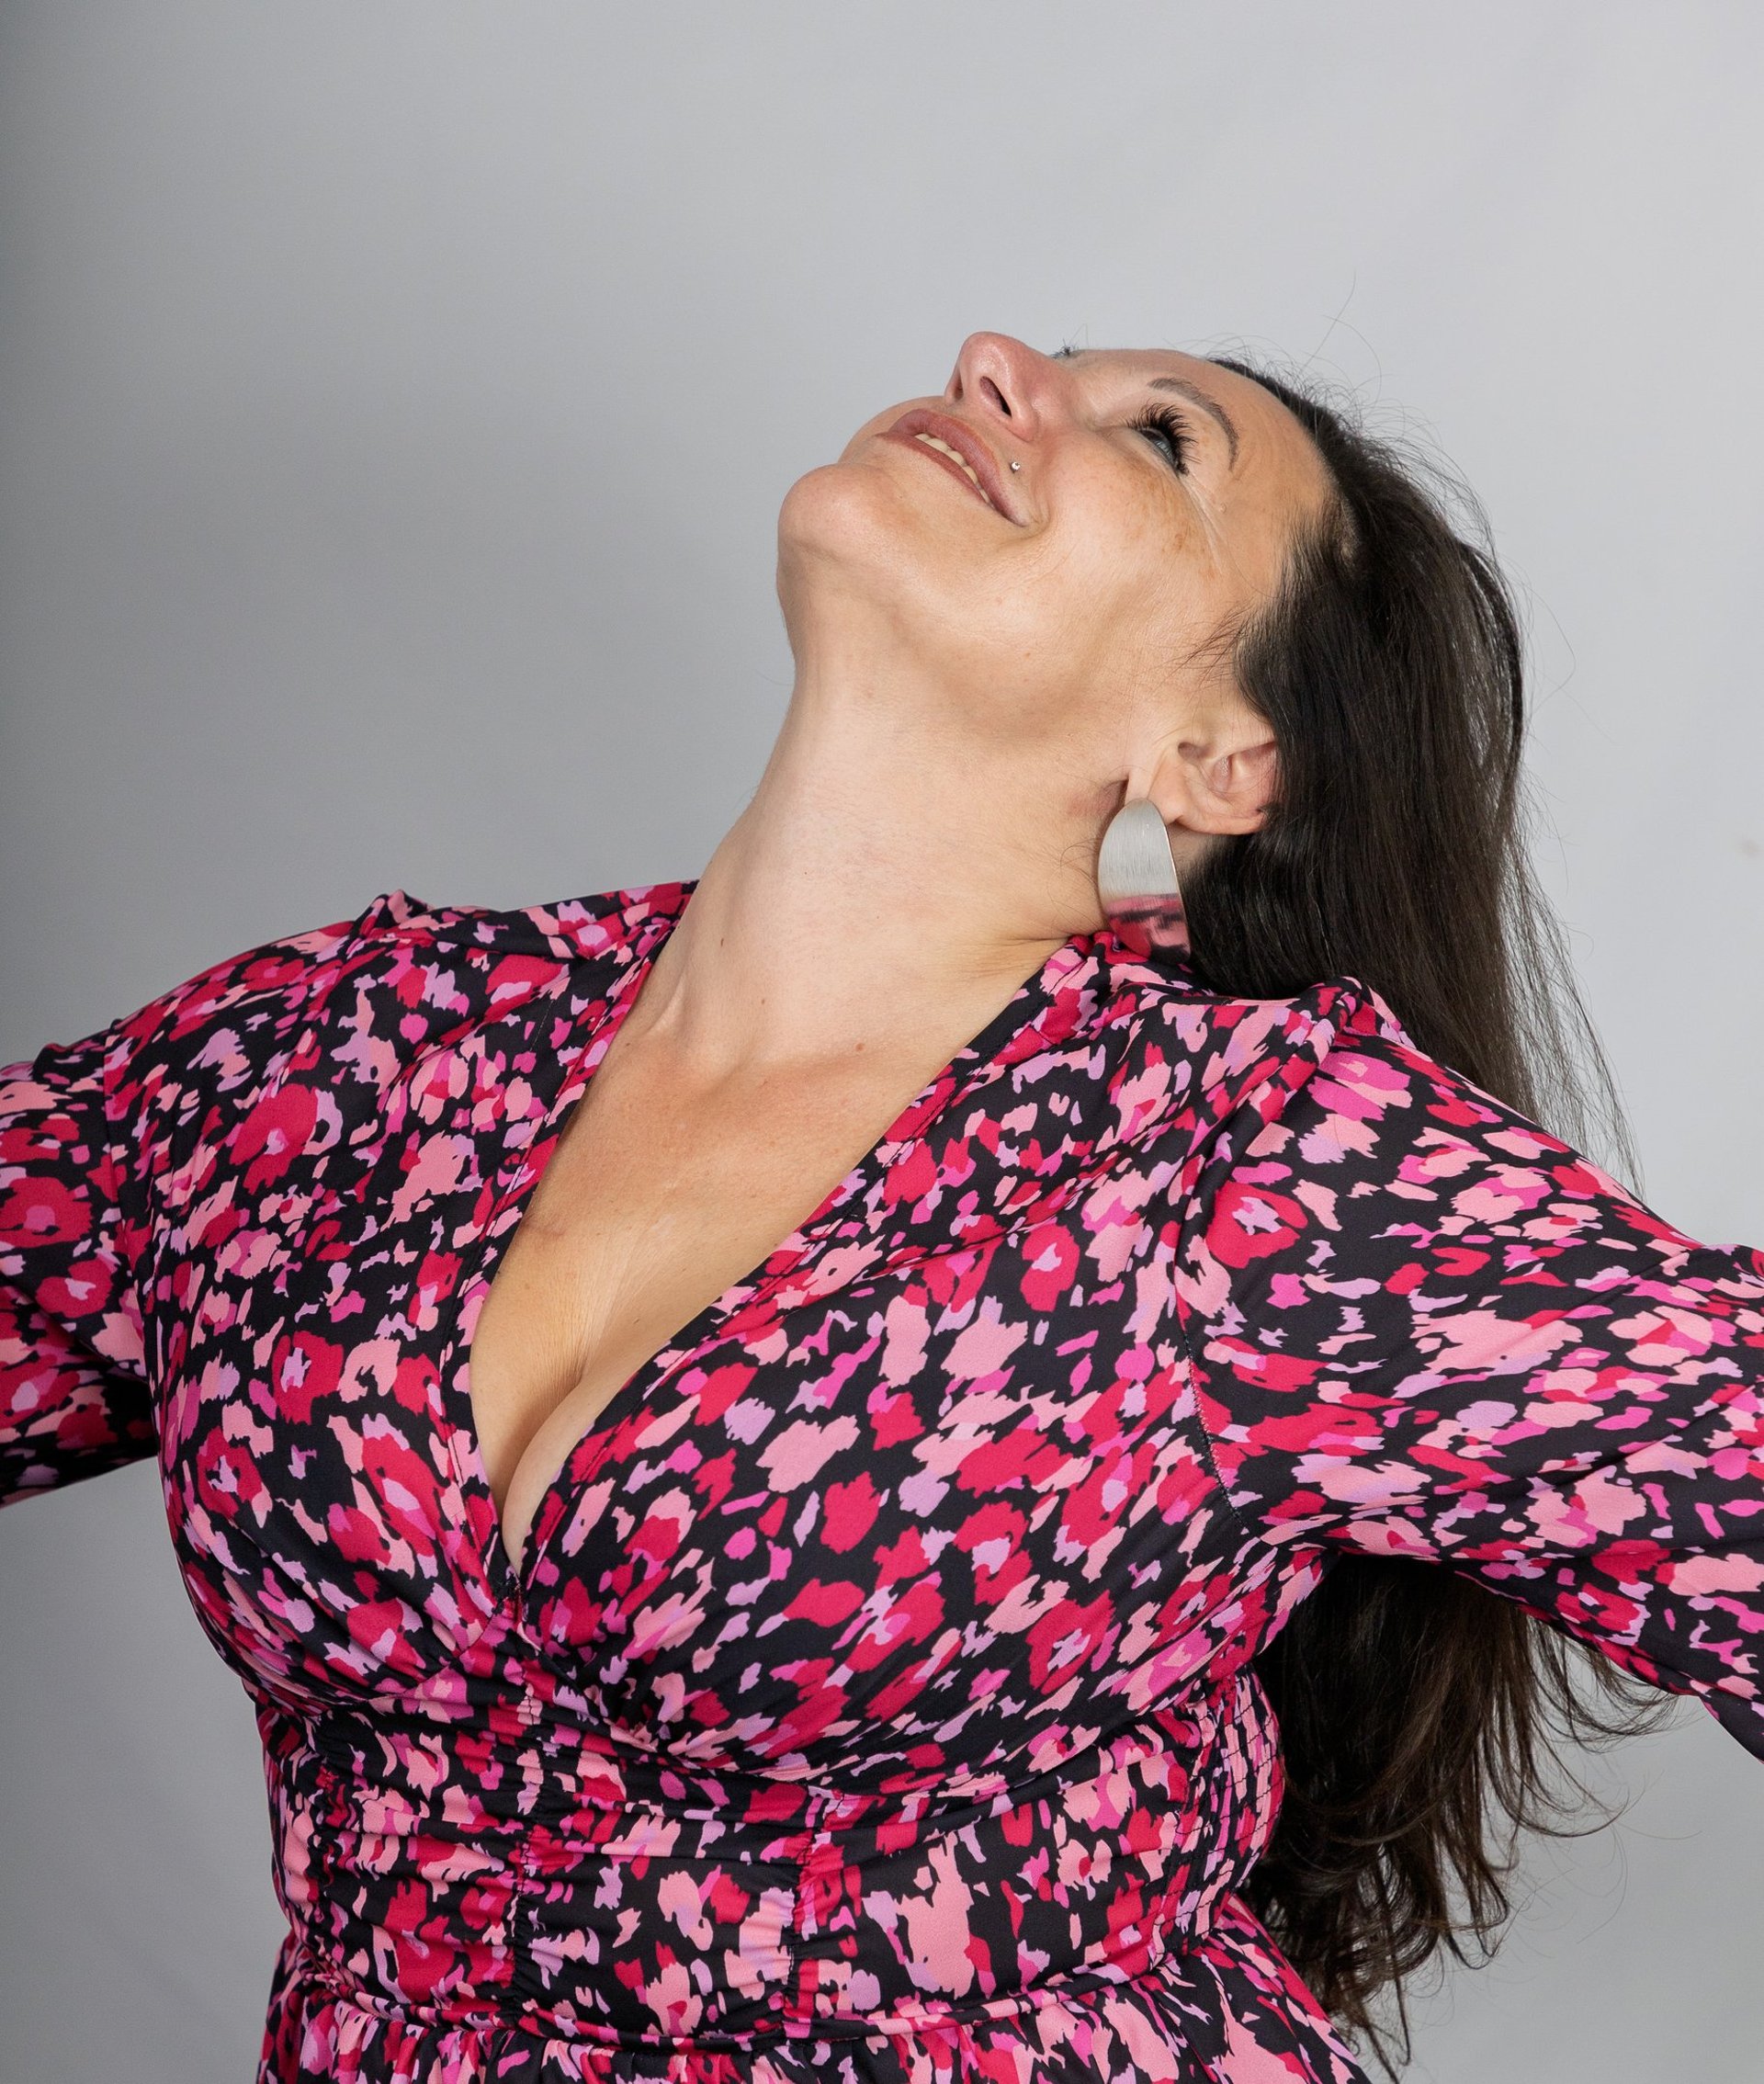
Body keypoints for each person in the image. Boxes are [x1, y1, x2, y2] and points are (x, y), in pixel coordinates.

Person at [3, 331, 1759, 2084]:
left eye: (1162, 439)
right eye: (1035, 355)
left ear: (1225, 756)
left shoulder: (1254, 1166)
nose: (997, 364)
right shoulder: (348, 1056)